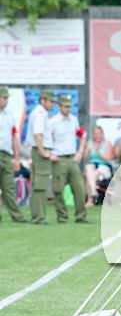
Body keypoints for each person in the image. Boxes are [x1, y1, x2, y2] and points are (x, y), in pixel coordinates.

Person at [49, 95, 88, 224]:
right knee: (58, 190)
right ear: (59, 106)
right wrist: (50, 154)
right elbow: (46, 139)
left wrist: (80, 152)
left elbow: (83, 135)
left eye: (69, 107)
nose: (68, 109)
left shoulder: (73, 120)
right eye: (65, 106)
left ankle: (81, 216)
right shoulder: (53, 122)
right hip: (58, 159)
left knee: (80, 188)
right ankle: (62, 217)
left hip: (72, 159)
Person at [0, 86, 27, 223]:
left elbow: (14, 137)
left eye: (7, 98)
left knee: (9, 187)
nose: (6, 101)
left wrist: (16, 158)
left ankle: (17, 216)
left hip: (6, 155)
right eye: (4, 98)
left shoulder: (9, 114)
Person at [29, 90, 56, 224]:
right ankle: (39, 217)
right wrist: (43, 151)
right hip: (41, 151)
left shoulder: (38, 112)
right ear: (43, 100)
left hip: (38, 150)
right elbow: (38, 134)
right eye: (50, 101)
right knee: (41, 184)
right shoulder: (41, 114)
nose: (52, 104)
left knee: (38, 184)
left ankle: (37, 215)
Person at [83, 126, 113, 206]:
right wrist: (87, 151)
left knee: (91, 175)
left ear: (102, 134)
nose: (96, 135)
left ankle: (90, 199)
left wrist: (97, 151)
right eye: (95, 133)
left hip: (104, 166)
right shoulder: (90, 143)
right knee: (88, 168)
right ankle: (93, 193)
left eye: (98, 133)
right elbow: (85, 158)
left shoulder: (108, 143)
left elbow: (107, 158)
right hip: (92, 165)